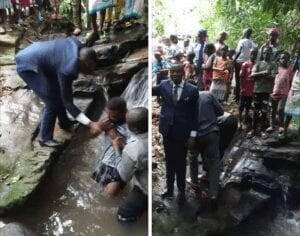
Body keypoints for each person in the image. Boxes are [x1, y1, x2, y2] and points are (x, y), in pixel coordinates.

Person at [15, 37, 101, 147]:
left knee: (57, 92)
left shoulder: (77, 45)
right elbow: (68, 102)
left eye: (93, 67)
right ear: (80, 61)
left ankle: (64, 122)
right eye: (89, 67)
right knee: (52, 101)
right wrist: (90, 123)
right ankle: (44, 138)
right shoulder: (68, 69)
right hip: (29, 65)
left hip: (43, 60)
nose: (91, 71)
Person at [152, 63, 199, 205]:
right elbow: (150, 91)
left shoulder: (192, 90)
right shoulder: (164, 85)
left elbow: (194, 114)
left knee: (180, 161)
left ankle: (182, 190)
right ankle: (169, 189)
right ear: (169, 73)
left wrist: (192, 136)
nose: (175, 75)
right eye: (172, 72)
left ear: (183, 73)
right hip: (167, 130)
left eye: (178, 72)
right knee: (169, 161)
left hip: (182, 132)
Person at [187, 87, 224, 207]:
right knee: (214, 163)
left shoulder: (184, 100)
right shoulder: (208, 95)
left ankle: (194, 183)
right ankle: (213, 194)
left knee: (192, 157)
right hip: (211, 133)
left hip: (195, 136)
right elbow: (221, 112)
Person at [92, 97, 131, 196]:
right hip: (104, 160)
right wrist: (99, 127)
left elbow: (135, 152)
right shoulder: (107, 120)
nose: (108, 117)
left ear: (123, 113)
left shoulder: (132, 126)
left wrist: (117, 140)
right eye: (107, 113)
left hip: (120, 164)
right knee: (97, 189)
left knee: (110, 194)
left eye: (112, 116)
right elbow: (91, 135)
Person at [116, 107, 148, 223]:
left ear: (134, 128)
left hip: (145, 189)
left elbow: (124, 176)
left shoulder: (131, 150)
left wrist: (117, 150)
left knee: (123, 215)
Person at [249, 46, 277, 136]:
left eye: (268, 53)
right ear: (262, 53)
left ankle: (262, 130)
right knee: (256, 110)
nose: (266, 54)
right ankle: (253, 129)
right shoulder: (258, 63)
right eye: (264, 52)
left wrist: (265, 75)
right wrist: (263, 73)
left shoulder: (273, 64)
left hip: (267, 91)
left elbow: (274, 76)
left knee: (264, 111)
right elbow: (252, 75)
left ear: (271, 54)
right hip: (257, 90)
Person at [267, 52, 293, 133]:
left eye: (285, 58)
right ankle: (272, 126)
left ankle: (281, 126)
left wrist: (290, 91)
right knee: (273, 110)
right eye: (282, 58)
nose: (283, 60)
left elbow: (291, 81)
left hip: (284, 93)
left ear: (288, 60)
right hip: (275, 91)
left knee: (280, 109)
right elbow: (273, 78)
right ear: (279, 59)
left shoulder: (289, 70)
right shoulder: (277, 68)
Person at [235, 28, 257, 103]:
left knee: (238, 80)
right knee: (247, 81)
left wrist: (234, 60)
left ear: (245, 33)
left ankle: (237, 97)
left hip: (240, 62)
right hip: (248, 63)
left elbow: (239, 51)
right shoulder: (253, 43)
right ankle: (246, 97)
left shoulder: (242, 41)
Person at [238, 48, 258, 130]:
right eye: (252, 53)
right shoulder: (245, 64)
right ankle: (239, 120)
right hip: (245, 87)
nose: (253, 55)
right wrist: (241, 88)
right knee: (241, 105)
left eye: (255, 54)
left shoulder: (257, 64)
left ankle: (245, 120)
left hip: (253, 89)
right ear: (249, 54)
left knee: (248, 105)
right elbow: (241, 77)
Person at [284, 45, 300, 138]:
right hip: (296, 85)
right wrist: (289, 84)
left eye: (299, 49)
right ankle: (285, 129)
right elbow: (292, 72)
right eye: (297, 49)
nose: (297, 51)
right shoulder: (297, 59)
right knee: (290, 108)